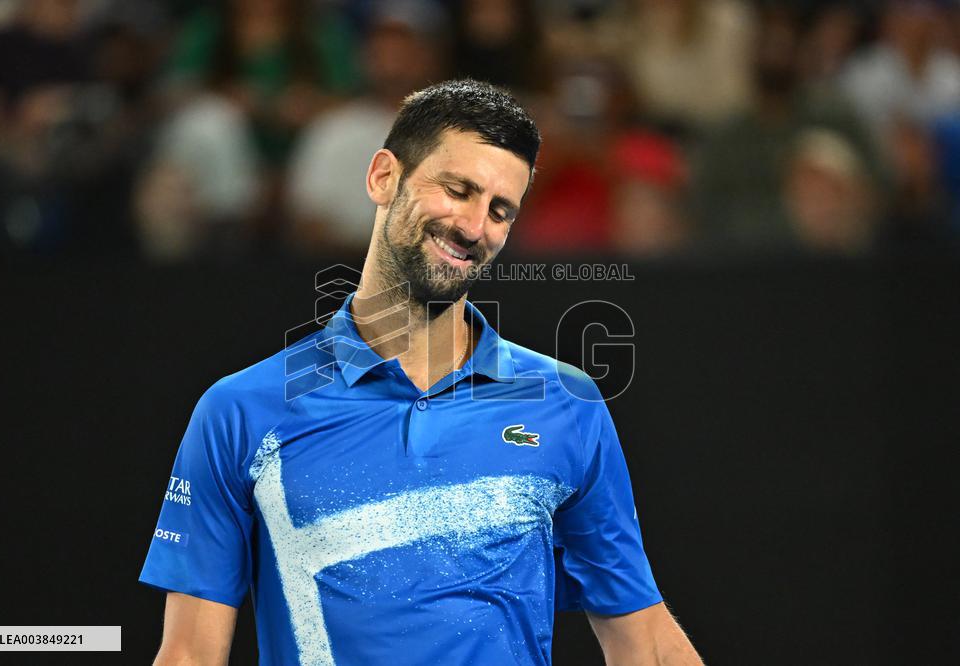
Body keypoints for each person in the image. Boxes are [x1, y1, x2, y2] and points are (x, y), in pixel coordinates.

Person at [139, 79, 702, 666]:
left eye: (500, 210)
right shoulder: (240, 412)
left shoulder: (565, 404)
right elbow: (190, 655)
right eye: (458, 190)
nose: (474, 227)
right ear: (384, 176)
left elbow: (645, 641)